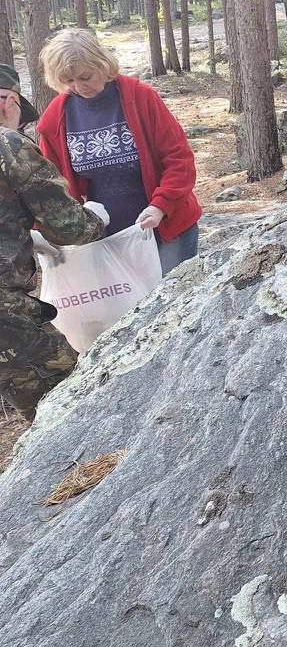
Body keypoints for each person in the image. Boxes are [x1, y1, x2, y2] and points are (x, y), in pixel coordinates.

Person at [36, 29, 202, 275]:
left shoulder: (141, 97)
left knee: (174, 296)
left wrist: (160, 205)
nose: (79, 87)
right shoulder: (56, 117)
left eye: (85, 77)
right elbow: (49, 184)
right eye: (68, 81)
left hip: (167, 228)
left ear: (102, 64)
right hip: (106, 238)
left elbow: (179, 159)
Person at [1, 64, 106, 419]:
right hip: (4, 312)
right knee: (67, 398)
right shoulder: (9, 145)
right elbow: (68, 227)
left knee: (26, 391)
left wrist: (22, 238)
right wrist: (97, 219)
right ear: (10, 101)